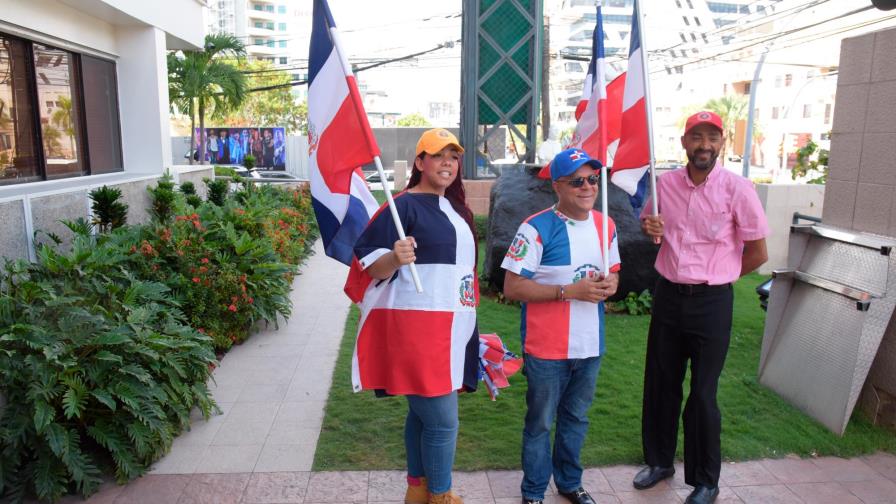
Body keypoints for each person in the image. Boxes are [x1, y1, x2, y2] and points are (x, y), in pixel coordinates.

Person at [632, 111, 769, 504]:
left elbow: (758, 252)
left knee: (703, 393)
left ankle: (706, 479)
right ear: (684, 143)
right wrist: (649, 228)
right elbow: (651, 225)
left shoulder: (738, 189)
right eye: (696, 137)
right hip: (669, 297)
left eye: (711, 138)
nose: (703, 145)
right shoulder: (664, 184)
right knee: (660, 384)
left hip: (712, 302)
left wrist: (722, 273)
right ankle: (659, 462)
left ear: (721, 143)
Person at [347, 128, 480, 504]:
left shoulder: (456, 209)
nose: (448, 163)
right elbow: (370, 264)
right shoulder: (402, 205)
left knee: (422, 417)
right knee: (443, 421)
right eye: (438, 155)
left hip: (452, 328)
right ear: (420, 162)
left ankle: (418, 491)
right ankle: (441, 496)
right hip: (417, 330)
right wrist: (395, 256)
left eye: (453, 157)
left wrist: (470, 326)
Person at [501, 148, 620, 504]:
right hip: (547, 347)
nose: (588, 187)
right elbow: (512, 287)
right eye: (577, 181)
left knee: (577, 419)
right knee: (540, 424)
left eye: (593, 179)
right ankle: (534, 492)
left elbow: (613, 273)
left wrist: (611, 284)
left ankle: (569, 483)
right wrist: (569, 292)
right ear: (558, 186)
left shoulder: (606, 224)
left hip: (590, 345)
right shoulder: (535, 228)